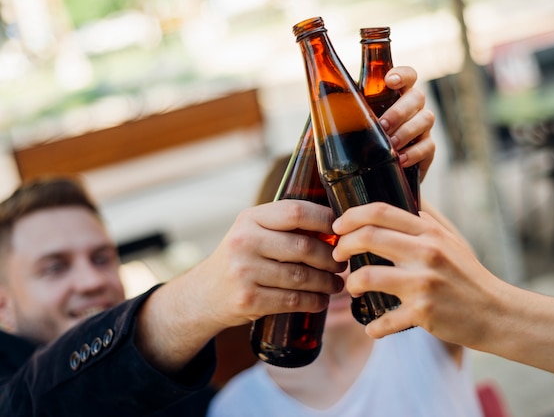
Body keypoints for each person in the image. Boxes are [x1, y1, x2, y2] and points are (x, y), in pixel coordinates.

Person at [0, 66, 428, 416]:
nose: (91, 280)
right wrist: (197, 296)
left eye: (102, 258)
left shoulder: (197, 402)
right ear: (3, 303)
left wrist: (385, 188)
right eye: (54, 267)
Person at [206, 76, 484, 416]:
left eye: (355, 237)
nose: (337, 263)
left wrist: (395, 183)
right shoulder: (237, 407)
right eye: (306, 247)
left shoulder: (427, 332)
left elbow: (474, 283)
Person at [331, 202, 554, 396]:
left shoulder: (422, 331)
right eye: (320, 251)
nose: (346, 276)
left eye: (356, 248)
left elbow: (450, 264)